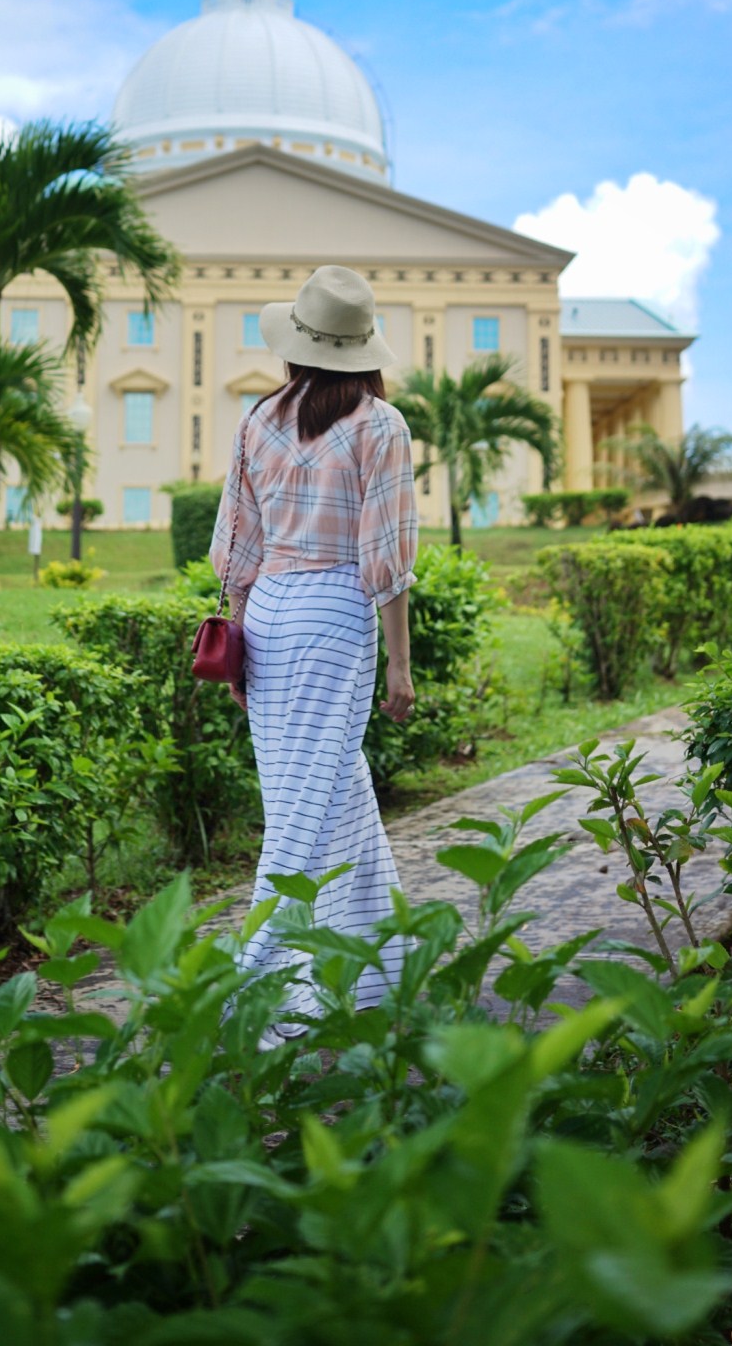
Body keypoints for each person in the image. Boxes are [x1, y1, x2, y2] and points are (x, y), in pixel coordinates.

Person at [209, 263, 418, 1023]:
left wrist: (237, 637)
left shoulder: (257, 419)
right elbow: (386, 555)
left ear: (296, 344)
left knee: (328, 794)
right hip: (335, 615)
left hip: (268, 613)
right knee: (309, 805)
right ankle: (257, 995)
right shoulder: (378, 425)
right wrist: (399, 662)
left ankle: (377, 977)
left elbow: (239, 544)